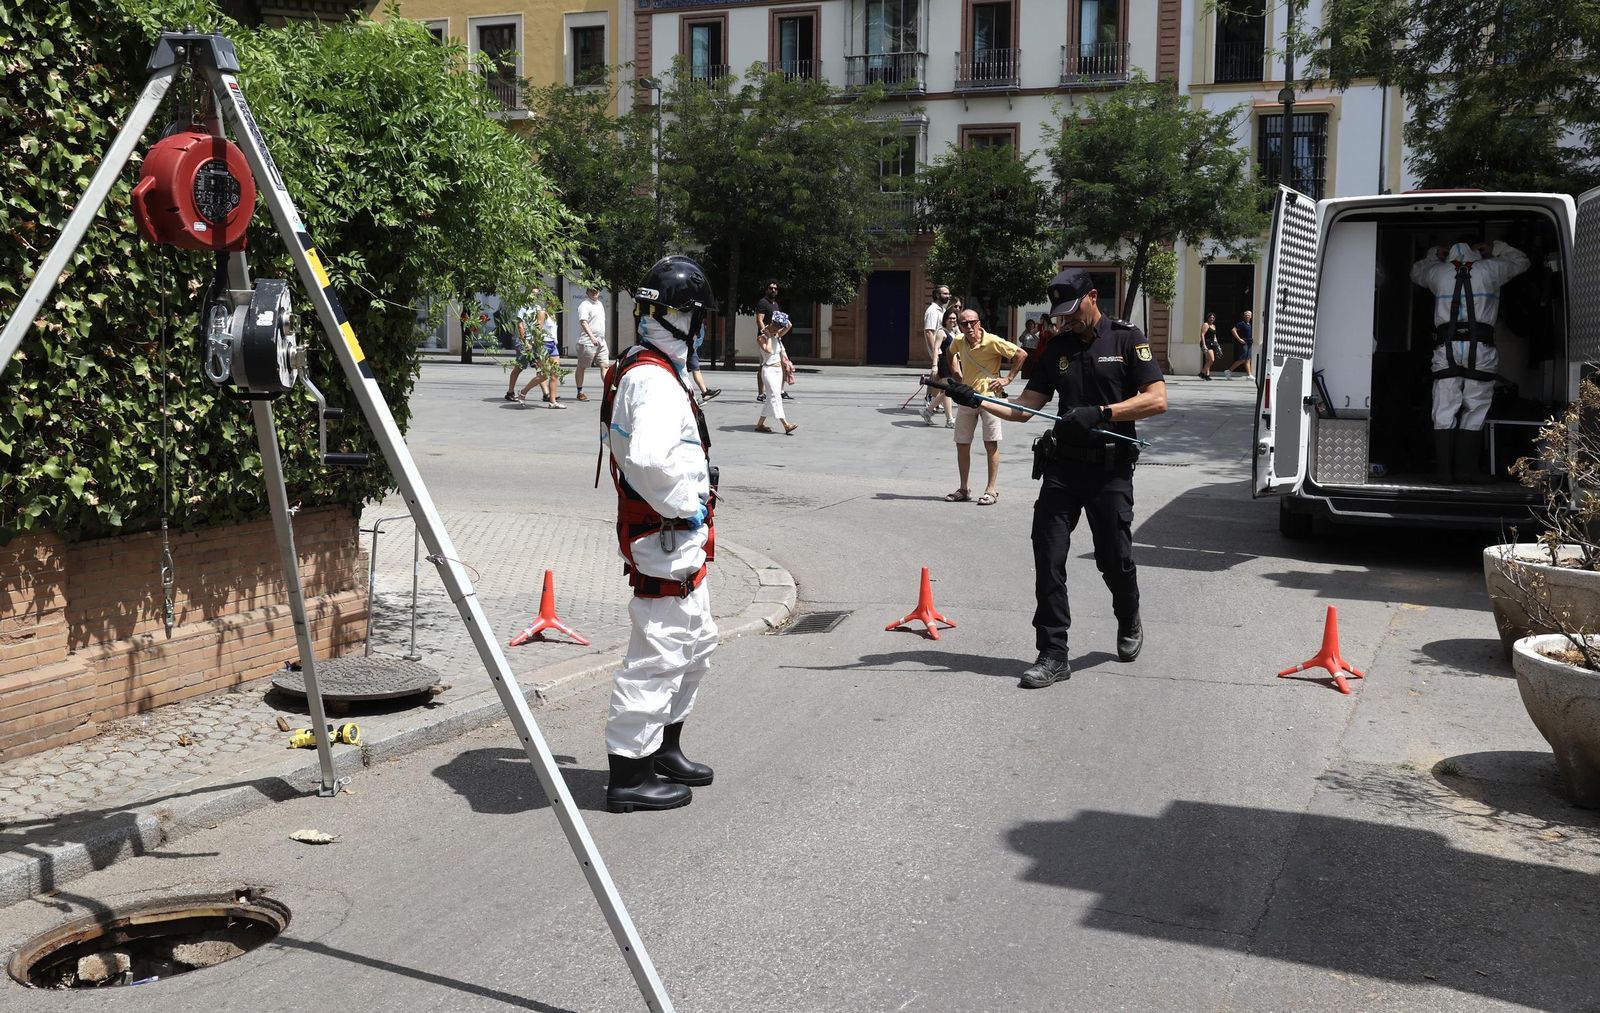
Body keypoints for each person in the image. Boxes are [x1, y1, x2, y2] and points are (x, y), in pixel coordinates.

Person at [945, 267, 1167, 689]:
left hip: (1110, 469)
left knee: (1113, 560)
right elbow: (1026, 408)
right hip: (1063, 468)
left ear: (1093, 297)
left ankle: (1128, 615)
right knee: (1048, 560)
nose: (1066, 320)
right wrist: (976, 399)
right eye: (1060, 313)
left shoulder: (1126, 339)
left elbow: (1157, 400)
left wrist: (1102, 413)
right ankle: (1053, 653)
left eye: (1073, 311)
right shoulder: (1058, 347)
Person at [599, 254, 721, 813]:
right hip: (666, 534)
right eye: (698, 318)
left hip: (679, 538)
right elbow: (647, 460)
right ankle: (629, 775)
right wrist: (688, 505)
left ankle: (663, 749)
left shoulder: (653, 367)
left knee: (695, 645)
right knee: (658, 655)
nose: (700, 329)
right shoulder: (652, 379)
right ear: (682, 317)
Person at [1410, 237, 1530, 482]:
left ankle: (1444, 473)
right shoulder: (1492, 268)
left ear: (1450, 252)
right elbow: (1522, 261)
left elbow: (1415, 272)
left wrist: (1435, 253)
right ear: (1477, 252)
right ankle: (1466, 471)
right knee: (1475, 407)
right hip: (1481, 348)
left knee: (1444, 407)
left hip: (1446, 347)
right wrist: (1496, 247)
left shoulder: (1438, 272)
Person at [945, 307, 1026, 507]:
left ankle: (991, 490)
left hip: (990, 399)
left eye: (972, 322)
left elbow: (1021, 354)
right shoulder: (958, 341)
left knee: (991, 443)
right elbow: (950, 353)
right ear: (960, 326)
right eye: (964, 323)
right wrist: (957, 374)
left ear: (979, 323)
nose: (969, 326)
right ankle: (964, 488)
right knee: (962, 443)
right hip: (967, 397)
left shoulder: (992, 341)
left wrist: (1007, 379)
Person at [755, 310, 798, 434]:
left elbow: (789, 325)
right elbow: (768, 350)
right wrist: (768, 335)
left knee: (771, 398)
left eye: (779, 326)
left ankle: (759, 425)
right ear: (771, 323)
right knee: (775, 396)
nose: (777, 329)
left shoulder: (777, 336)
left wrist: (780, 316)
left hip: (778, 371)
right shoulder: (761, 338)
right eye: (776, 325)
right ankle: (786, 425)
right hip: (768, 370)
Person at [517, 297, 565, 408]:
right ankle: (523, 393)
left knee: (555, 374)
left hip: (553, 345)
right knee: (544, 375)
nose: (554, 304)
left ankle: (552, 402)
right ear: (548, 302)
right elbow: (537, 329)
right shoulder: (542, 313)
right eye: (552, 301)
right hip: (543, 345)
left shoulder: (552, 314)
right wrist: (533, 346)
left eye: (556, 302)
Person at [925, 308, 959, 427]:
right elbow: (935, 348)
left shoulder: (953, 331)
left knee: (947, 391)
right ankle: (949, 420)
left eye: (954, 318)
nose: (952, 320)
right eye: (950, 318)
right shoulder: (941, 332)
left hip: (953, 362)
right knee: (948, 390)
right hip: (944, 362)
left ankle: (927, 411)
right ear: (945, 319)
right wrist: (934, 365)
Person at [505, 291, 541, 402]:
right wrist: (526, 342)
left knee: (539, 366)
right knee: (519, 367)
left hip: (535, 341)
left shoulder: (538, 307)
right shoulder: (522, 308)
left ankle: (546, 394)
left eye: (536, 294)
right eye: (532, 294)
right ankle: (510, 392)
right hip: (524, 342)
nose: (534, 296)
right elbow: (520, 326)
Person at [574, 285, 609, 402]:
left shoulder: (600, 304)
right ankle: (580, 391)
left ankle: (609, 391)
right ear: (587, 292)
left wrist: (599, 338)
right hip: (587, 341)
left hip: (601, 340)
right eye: (592, 291)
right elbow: (583, 322)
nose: (595, 293)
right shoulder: (585, 305)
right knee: (582, 366)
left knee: (605, 365)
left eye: (597, 291)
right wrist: (592, 337)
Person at [921, 283, 951, 415]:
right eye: (945, 293)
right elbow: (929, 332)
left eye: (948, 294)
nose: (948, 296)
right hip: (937, 348)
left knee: (938, 375)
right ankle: (930, 400)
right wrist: (935, 351)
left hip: (942, 347)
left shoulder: (942, 310)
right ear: (937, 295)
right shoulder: (932, 311)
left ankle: (932, 400)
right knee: (939, 375)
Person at [755, 280, 782, 402]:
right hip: (765, 337)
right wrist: (765, 333)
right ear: (766, 289)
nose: (773, 290)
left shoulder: (775, 304)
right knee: (763, 364)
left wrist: (779, 333)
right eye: (771, 288)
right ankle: (761, 393)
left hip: (775, 337)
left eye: (775, 289)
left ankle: (777, 391)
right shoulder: (763, 303)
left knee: (776, 363)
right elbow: (759, 320)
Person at [1221, 310, 1253, 379]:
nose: (1247, 316)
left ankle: (1249, 375)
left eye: (1249, 314)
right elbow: (1233, 330)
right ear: (1244, 316)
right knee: (1242, 359)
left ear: (1251, 316)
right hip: (1244, 342)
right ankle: (1229, 371)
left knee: (1248, 359)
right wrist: (1239, 339)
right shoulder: (1241, 323)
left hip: (1249, 343)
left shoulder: (1250, 324)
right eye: (1246, 314)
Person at [1199, 312, 1219, 380]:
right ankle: (1202, 373)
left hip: (1212, 343)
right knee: (1212, 359)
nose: (1212, 319)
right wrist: (1204, 345)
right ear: (1208, 318)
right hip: (1206, 343)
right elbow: (1202, 335)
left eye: (1213, 318)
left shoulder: (1213, 326)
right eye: (1210, 317)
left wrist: (1217, 344)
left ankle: (1207, 375)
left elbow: (1214, 336)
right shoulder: (1205, 324)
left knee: (1208, 360)